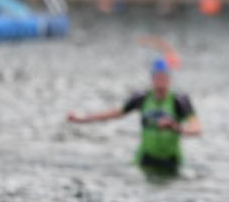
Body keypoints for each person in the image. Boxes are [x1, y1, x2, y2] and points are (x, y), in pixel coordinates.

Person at [67, 58, 201, 175]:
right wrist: (82, 119)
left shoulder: (180, 100)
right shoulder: (142, 98)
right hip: (146, 158)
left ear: (169, 79)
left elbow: (196, 129)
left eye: (164, 78)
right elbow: (115, 113)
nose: (161, 82)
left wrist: (175, 127)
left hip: (172, 160)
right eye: (158, 78)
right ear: (152, 79)